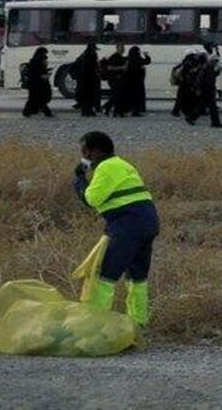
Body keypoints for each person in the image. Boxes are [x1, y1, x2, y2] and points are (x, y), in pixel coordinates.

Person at [72, 131, 160, 327]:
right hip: (148, 223)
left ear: (95, 152)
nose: (83, 156)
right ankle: (138, 323)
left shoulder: (106, 167)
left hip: (128, 225)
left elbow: (92, 200)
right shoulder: (123, 164)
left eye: (84, 152)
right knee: (137, 275)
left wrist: (79, 180)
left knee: (105, 274)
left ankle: (95, 324)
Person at [186, 52, 222, 127]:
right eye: (215, 61)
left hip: (205, 89)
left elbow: (204, 78)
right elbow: (208, 79)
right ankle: (215, 122)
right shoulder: (208, 68)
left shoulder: (207, 67)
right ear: (212, 61)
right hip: (208, 89)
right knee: (212, 107)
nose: (216, 63)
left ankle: (191, 118)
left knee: (202, 106)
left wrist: (217, 72)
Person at [21, 46, 54, 117]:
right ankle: (46, 112)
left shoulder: (35, 60)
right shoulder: (37, 61)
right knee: (39, 99)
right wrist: (44, 75)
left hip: (36, 84)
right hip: (37, 84)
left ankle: (30, 111)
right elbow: (37, 72)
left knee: (35, 99)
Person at [101, 43, 128, 117]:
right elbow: (109, 67)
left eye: (123, 47)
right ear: (117, 48)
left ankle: (113, 110)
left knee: (118, 95)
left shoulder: (120, 57)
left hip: (119, 79)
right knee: (116, 95)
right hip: (114, 79)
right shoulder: (114, 57)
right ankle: (109, 107)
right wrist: (121, 68)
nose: (123, 49)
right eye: (121, 47)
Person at [73, 42, 101, 116]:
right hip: (89, 79)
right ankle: (88, 111)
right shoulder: (92, 56)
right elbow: (92, 68)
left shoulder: (83, 55)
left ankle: (87, 111)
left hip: (83, 79)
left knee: (86, 96)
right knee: (90, 96)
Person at [124, 46, 151, 116]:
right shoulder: (138, 59)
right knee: (138, 97)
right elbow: (147, 61)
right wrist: (146, 56)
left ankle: (129, 108)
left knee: (131, 96)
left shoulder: (128, 59)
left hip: (129, 82)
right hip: (138, 82)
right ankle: (136, 111)